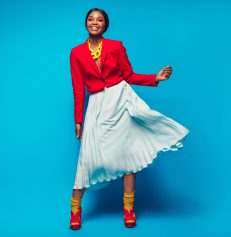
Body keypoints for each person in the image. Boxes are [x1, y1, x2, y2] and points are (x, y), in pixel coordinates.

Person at [69, 8, 189, 230]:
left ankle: (128, 209)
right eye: (91, 19)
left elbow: (129, 75)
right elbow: (78, 88)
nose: (95, 22)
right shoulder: (76, 53)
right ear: (85, 23)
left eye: (100, 19)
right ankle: (75, 209)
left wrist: (156, 77)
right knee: (88, 158)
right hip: (97, 106)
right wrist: (78, 120)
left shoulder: (115, 46)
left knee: (128, 156)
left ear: (105, 25)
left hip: (121, 101)